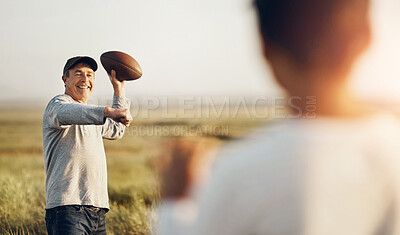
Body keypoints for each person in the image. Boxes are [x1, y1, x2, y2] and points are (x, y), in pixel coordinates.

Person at [156, 0, 400, 234]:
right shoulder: (393, 149)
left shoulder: (239, 176)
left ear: (264, 47)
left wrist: (174, 204)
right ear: (367, 35)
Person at [42, 56, 132, 235]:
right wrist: (108, 111)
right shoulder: (57, 104)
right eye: (79, 74)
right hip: (67, 209)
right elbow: (66, 113)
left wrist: (119, 90)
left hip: (97, 210)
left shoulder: (91, 114)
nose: (85, 80)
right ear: (65, 79)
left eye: (90, 75)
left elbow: (116, 130)